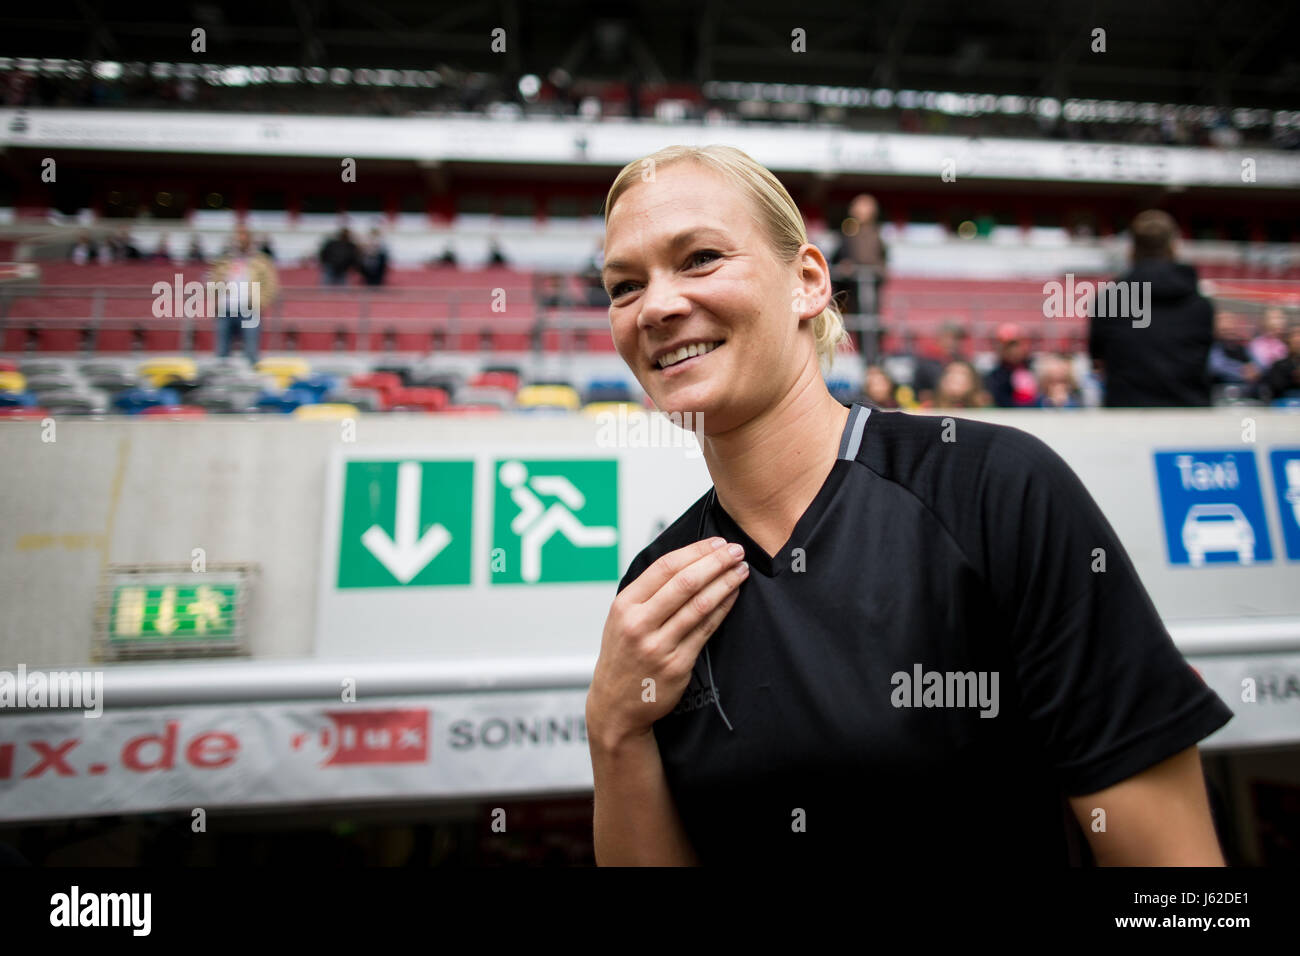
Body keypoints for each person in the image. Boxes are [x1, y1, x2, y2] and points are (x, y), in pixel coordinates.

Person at [588, 144, 1232, 867]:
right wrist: (612, 731)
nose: (658, 306)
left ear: (806, 281)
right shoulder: (658, 589)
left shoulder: (995, 490)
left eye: (701, 256)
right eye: (623, 286)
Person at [1087, 210, 1214, 407]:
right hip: (1190, 418)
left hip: (1126, 416)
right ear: (1173, 247)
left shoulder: (1109, 300)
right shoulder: (1201, 306)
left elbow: (1097, 361)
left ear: (1132, 249)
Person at [209, 224, 278, 365]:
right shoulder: (224, 261)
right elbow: (213, 282)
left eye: (243, 238)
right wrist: (216, 297)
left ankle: (252, 383)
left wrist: (259, 303)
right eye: (237, 238)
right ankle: (222, 382)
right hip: (225, 309)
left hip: (249, 309)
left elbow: (271, 286)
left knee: (251, 353)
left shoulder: (261, 261)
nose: (239, 242)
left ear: (250, 241)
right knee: (222, 352)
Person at [830, 193, 888, 358]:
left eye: (865, 206)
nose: (860, 210)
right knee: (846, 325)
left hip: (868, 289)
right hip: (849, 291)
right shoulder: (846, 233)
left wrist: (869, 270)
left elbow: (881, 264)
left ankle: (870, 358)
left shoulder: (877, 235)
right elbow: (837, 259)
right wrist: (845, 267)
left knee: (869, 326)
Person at [910, 321, 968, 405]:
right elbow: (916, 391)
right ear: (939, 339)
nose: (951, 342)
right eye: (948, 337)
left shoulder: (963, 362)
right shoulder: (926, 363)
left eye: (956, 338)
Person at [984, 322, 1039, 407]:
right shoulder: (994, 377)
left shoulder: (1036, 369)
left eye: (1016, 346)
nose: (1013, 351)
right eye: (1008, 347)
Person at [1208, 312, 1261, 398]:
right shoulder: (1212, 346)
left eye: (1231, 326)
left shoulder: (1243, 348)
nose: (1229, 328)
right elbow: (1216, 366)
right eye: (1224, 330)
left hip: (1245, 394)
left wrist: (1255, 371)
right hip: (1220, 392)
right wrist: (1241, 371)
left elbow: (1259, 366)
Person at [1262, 324, 1300, 402]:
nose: (1298, 339)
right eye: (1295, 336)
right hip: (1284, 407)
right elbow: (1276, 388)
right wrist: (1294, 378)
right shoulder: (1278, 366)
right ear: (1288, 342)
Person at [1248, 306, 1289, 371]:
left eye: (1282, 318)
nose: (1281, 321)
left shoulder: (1283, 344)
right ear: (1264, 321)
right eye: (1276, 318)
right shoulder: (1256, 344)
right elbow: (1264, 368)